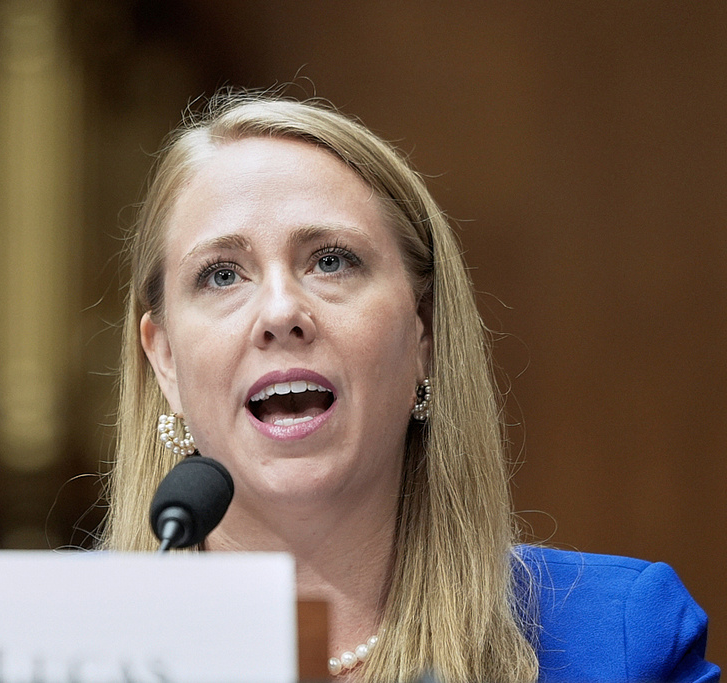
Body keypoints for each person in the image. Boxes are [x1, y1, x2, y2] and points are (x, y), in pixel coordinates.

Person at [99, 91, 719, 683]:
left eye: (331, 260)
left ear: (422, 332)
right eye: (222, 274)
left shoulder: (621, 641)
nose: (280, 310)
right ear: (166, 361)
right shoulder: (45, 640)